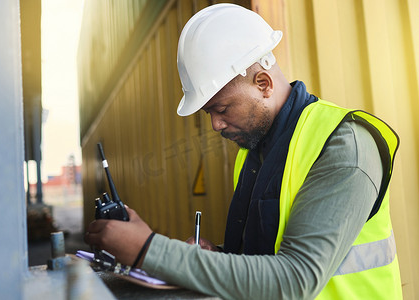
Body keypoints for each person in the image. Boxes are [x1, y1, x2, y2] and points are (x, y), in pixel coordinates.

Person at [85, 4, 402, 299]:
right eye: (209, 113)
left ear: (263, 83)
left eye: (221, 109)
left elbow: (295, 279)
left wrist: (148, 250)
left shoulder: (344, 146)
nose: (216, 125)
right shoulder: (254, 151)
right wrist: (218, 256)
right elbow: (265, 256)